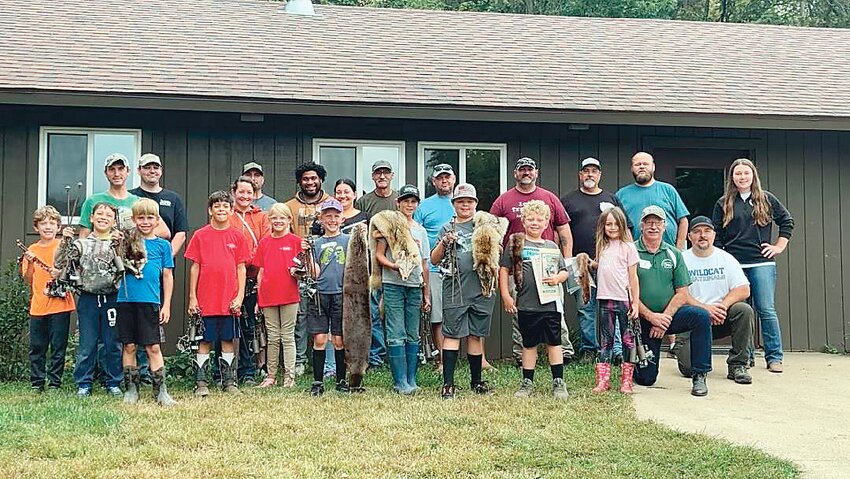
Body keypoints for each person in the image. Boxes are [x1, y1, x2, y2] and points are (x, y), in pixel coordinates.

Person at [490, 156, 575, 364]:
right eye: (522, 170)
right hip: (517, 268)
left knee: (554, 311)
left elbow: (565, 234)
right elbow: (492, 232)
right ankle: (522, 354)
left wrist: (564, 267)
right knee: (521, 312)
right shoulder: (503, 200)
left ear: (536, 172)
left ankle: (562, 352)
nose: (526, 173)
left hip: (548, 268)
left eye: (530, 170)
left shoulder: (549, 197)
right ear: (515, 174)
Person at [712, 158, 794, 373]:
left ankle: (774, 357)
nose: (742, 177)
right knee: (743, 312)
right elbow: (717, 234)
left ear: (753, 176)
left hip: (761, 263)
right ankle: (745, 356)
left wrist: (778, 246)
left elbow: (786, 221)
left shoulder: (766, 199)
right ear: (732, 177)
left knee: (766, 310)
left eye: (746, 173)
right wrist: (724, 258)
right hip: (735, 266)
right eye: (738, 173)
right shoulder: (724, 202)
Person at [632, 205, 713, 396]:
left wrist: (664, 319)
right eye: (649, 223)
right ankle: (634, 363)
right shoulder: (631, 252)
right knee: (646, 379)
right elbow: (628, 293)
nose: (653, 227)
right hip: (642, 320)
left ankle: (699, 375)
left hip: (668, 317)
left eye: (657, 223)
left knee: (700, 316)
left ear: (665, 226)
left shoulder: (673, 253)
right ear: (641, 226)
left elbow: (682, 293)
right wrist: (652, 317)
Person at [430, 184, 497, 399]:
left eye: (469, 201)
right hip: (455, 288)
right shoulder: (447, 228)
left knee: (476, 335)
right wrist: (444, 242)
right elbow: (433, 259)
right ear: (454, 204)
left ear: (475, 204)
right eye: (460, 201)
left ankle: (476, 381)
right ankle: (448, 383)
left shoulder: (485, 225)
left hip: (482, 288)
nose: (465, 205)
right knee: (452, 333)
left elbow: (498, 251)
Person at [498, 200, 570, 400]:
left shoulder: (552, 246)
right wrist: (505, 295)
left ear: (547, 222)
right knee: (528, 344)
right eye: (531, 219)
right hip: (526, 304)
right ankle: (527, 381)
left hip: (550, 304)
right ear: (523, 220)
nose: (535, 223)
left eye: (540, 219)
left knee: (554, 343)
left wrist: (557, 278)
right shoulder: (516, 242)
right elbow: (504, 269)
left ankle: (558, 381)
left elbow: (564, 271)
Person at [561, 157, 629, 363]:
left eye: (594, 171)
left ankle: (616, 350)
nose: (590, 174)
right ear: (580, 175)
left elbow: (625, 230)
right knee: (585, 308)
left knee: (614, 307)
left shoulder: (612, 199)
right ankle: (590, 349)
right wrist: (566, 261)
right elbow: (560, 232)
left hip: (610, 264)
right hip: (579, 263)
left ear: (600, 175)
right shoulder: (568, 200)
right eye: (586, 171)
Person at [185, 190, 250, 396]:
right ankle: (201, 382)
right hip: (205, 300)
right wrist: (192, 297)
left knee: (228, 340)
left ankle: (229, 381)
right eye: (217, 206)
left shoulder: (238, 237)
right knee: (204, 340)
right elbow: (195, 267)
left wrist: (239, 297)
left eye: (225, 206)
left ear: (232, 210)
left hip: (229, 300)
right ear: (209, 210)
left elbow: (241, 268)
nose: (221, 209)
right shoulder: (200, 235)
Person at [57, 202, 124, 398]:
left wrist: (121, 245)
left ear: (114, 221)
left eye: (108, 215)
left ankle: (113, 382)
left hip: (112, 297)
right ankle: (84, 383)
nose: (103, 217)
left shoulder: (118, 243)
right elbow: (61, 263)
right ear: (91, 218)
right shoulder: (81, 243)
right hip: (87, 298)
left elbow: (132, 262)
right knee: (87, 343)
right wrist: (65, 241)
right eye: (99, 214)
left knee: (112, 343)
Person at [116, 198, 176, 406]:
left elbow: (167, 276)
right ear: (133, 219)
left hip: (150, 301)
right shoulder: (124, 243)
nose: (145, 222)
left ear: (157, 220)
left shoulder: (163, 246)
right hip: (125, 300)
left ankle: (161, 392)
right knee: (129, 346)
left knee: (153, 347)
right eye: (140, 217)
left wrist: (166, 304)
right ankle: (131, 390)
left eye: (150, 217)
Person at [680, 216, 754, 385]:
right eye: (697, 232)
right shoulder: (681, 260)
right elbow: (679, 294)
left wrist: (722, 306)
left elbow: (744, 289)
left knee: (743, 310)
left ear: (713, 235)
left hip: (721, 317)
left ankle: (738, 365)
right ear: (689, 237)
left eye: (707, 231)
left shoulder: (726, 258)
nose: (702, 235)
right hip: (693, 320)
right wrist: (705, 309)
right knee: (689, 369)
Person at [372, 184, 430, 395]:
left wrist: (426, 292)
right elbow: (379, 255)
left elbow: (424, 264)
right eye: (405, 200)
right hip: (393, 284)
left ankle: (411, 378)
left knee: (413, 333)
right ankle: (400, 381)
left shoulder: (421, 231)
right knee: (396, 331)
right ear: (398, 203)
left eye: (413, 201)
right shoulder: (388, 226)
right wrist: (393, 266)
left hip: (414, 285)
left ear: (417, 204)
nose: (409, 204)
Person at [21, 206, 75, 392]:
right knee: (37, 347)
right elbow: (28, 278)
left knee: (58, 347)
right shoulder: (32, 249)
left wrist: (59, 272)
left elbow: (73, 273)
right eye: (43, 223)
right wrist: (28, 261)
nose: (48, 227)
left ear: (58, 226)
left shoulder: (63, 246)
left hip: (61, 304)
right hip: (38, 306)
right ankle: (37, 382)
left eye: (52, 223)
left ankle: (54, 383)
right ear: (36, 228)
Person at [284, 162, 331, 376]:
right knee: (300, 316)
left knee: (326, 313)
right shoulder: (289, 206)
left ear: (321, 179)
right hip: (301, 269)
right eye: (305, 179)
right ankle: (300, 360)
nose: (310, 182)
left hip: (328, 267)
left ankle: (326, 362)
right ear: (299, 181)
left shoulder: (332, 203)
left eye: (314, 178)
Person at [588, 207, 640, 394]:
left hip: (623, 300)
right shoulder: (602, 246)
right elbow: (603, 267)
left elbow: (633, 277)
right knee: (605, 340)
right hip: (604, 299)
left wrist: (635, 303)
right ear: (603, 226)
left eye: (616, 224)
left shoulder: (629, 247)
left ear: (623, 225)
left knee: (628, 340)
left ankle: (627, 380)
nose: (612, 227)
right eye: (608, 224)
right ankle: (603, 380)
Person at [354, 160, 398, 369]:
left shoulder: (399, 199)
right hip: (372, 265)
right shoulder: (364, 201)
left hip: (396, 264)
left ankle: (395, 355)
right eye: (378, 173)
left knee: (392, 309)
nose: (382, 176)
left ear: (392, 176)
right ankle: (377, 357)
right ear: (372, 176)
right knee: (373, 311)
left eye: (385, 173)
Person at [255, 203, 302, 388]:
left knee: (287, 336)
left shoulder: (296, 241)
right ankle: (271, 376)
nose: (278, 221)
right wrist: (259, 297)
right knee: (273, 337)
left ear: (289, 220)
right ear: (270, 220)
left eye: (282, 217)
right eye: (274, 218)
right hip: (268, 295)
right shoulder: (264, 242)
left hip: (290, 295)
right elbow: (261, 271)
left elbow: (305, 268)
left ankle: (289, 377)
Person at [414, 163, 457, 369]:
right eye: (440, 178)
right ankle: (441, 359)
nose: (444, 181)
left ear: (454, 179)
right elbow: (415, 236)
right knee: (438, 316)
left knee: (464, 313)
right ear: (433, 181)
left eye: (447, 177)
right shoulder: (424, 206)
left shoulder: (462, 204)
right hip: (434, 268)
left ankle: (480, 359)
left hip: (460, 270)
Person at [229, 176, 270, 384]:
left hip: (253, 277)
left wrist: (246, 258)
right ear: (233, 192)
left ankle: (247, 372)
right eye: (241, 192)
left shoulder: (262, 217)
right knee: (226, 324)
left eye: (249, 192)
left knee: (248, 325)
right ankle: (224, 372)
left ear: (254, 195)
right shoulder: (226, 215)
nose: (245, 196)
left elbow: (264, 245)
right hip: (230, 277)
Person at [307, 199, 351, 396]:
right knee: (320, 338)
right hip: (319, 295)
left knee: (339, 339)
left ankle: (342, 379)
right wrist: (307, 254)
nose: (332, 220)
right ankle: (318, 381)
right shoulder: (315, 244)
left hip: (342, 294)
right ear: (321, 219)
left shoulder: (349, 241)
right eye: (328, 216)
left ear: (342, 219)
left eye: (336, 216)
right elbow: (314, 273)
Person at [616, 152, 689, 249]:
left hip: (667, 252)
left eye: (645, 164)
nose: (642, 167)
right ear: (632, 168)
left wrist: (679, 249)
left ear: (653, 167)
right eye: (637, 164)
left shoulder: (668, 190)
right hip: (634, 254)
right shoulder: (621, 194)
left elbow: (683, 221)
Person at [129, 153, 188, 257]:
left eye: (156, 168)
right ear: (139, 170)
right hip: (134, 260)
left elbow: (181, 233)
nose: (152, 171)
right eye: (147, 168)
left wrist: (166, 258)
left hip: (162, 263)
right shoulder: (130, 197)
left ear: (161, 170)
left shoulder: (173, 198)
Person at [78, 153, 140, 236]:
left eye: (121, 169)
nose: (117, 174)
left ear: (128, 171)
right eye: (112, 169)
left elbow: (159, 230)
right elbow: (83, 238)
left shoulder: (138, 202)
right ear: (105, 173)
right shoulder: (92, 201)